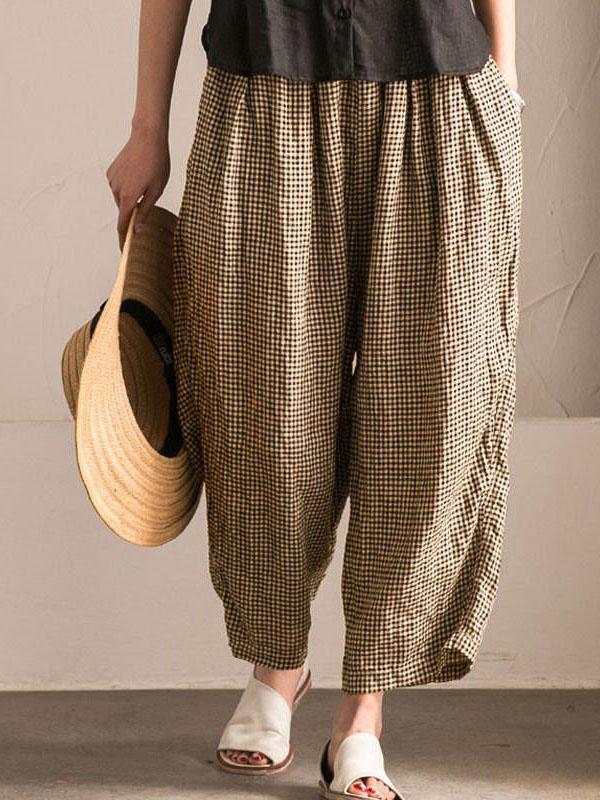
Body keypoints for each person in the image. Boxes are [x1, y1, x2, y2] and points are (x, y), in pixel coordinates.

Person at [105, 1, 524, 797]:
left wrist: (506, 79)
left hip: (439, 87)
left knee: (429, 418)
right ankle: (277, 665)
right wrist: (146, 126)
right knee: (263, 408)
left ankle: (363, 712)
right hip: (263, 89)